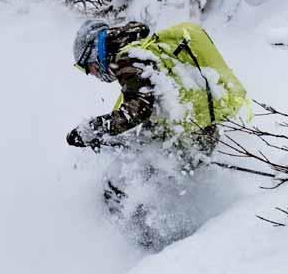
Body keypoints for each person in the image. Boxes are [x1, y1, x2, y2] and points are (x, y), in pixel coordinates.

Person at [67, 18, 250, 248]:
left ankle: (160, 249)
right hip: (193, 132)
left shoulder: (127, 58)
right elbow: (151, 104)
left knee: (119, 186)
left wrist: (93, 129)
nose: (92, 74)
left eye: (89, 67)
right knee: (133, 175)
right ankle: (167, 238)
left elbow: (137, 109)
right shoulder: (140, 48)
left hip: (188, 140)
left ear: (95, 54)